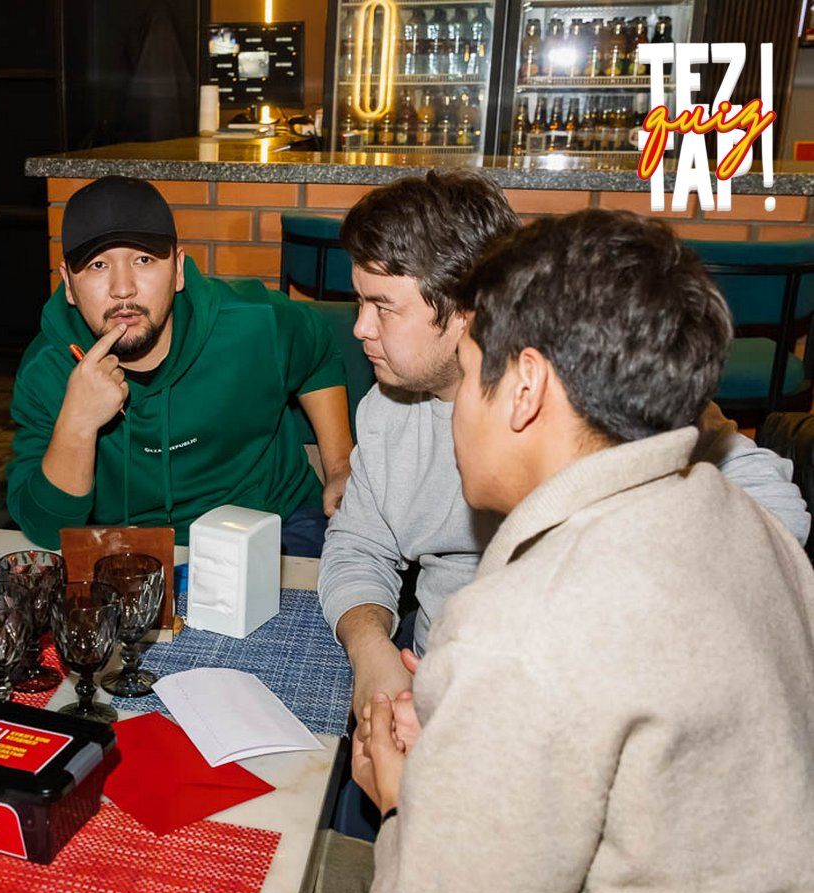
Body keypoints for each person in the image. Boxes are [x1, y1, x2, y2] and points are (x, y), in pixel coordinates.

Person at [274, 210, 814, 893]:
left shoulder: (519, 627)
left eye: (468, 372)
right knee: (289, 876)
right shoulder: (746, 527)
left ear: (524, 386)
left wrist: (406, 805)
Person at [319, 170, 810, 726]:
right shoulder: (385, 411)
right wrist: (372, 652)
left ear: (465, 311)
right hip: (441, 680)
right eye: (359, 302)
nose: (360, 328)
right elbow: (357, 547)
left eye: (383, 307)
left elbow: (775, 515)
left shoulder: (593, 404)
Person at [6, 176, 355, 556]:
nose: (123, 288)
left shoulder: (252, 321)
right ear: (69, 284)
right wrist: (77, 423)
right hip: (128, 549)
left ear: (178, 269)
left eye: (143, 260)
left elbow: (319, 352)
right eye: (98, 265)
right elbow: (45, 530)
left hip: (276, 526)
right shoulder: (47, 369)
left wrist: (340, 465)